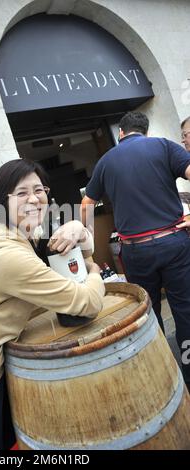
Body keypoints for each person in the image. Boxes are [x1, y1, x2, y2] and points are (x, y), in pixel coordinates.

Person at [0, 159, 105, 450]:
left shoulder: (19, 236)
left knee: (3, 440)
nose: (33, 198)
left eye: (39, 190)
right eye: (21, 193)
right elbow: (87, 302)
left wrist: (78, 228)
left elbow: (74, 246)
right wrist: (95, 274)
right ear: (1, 201)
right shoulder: (11, 256)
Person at [81, 111, 190, 391]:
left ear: (120, 133)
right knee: (185, 307)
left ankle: (162, 371)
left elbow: (86, 204)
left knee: (148, 311)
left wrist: (88, 247)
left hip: (135, 250)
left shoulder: (106, 160)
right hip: (174, 242)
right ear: (145, 131)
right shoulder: (163, 146)